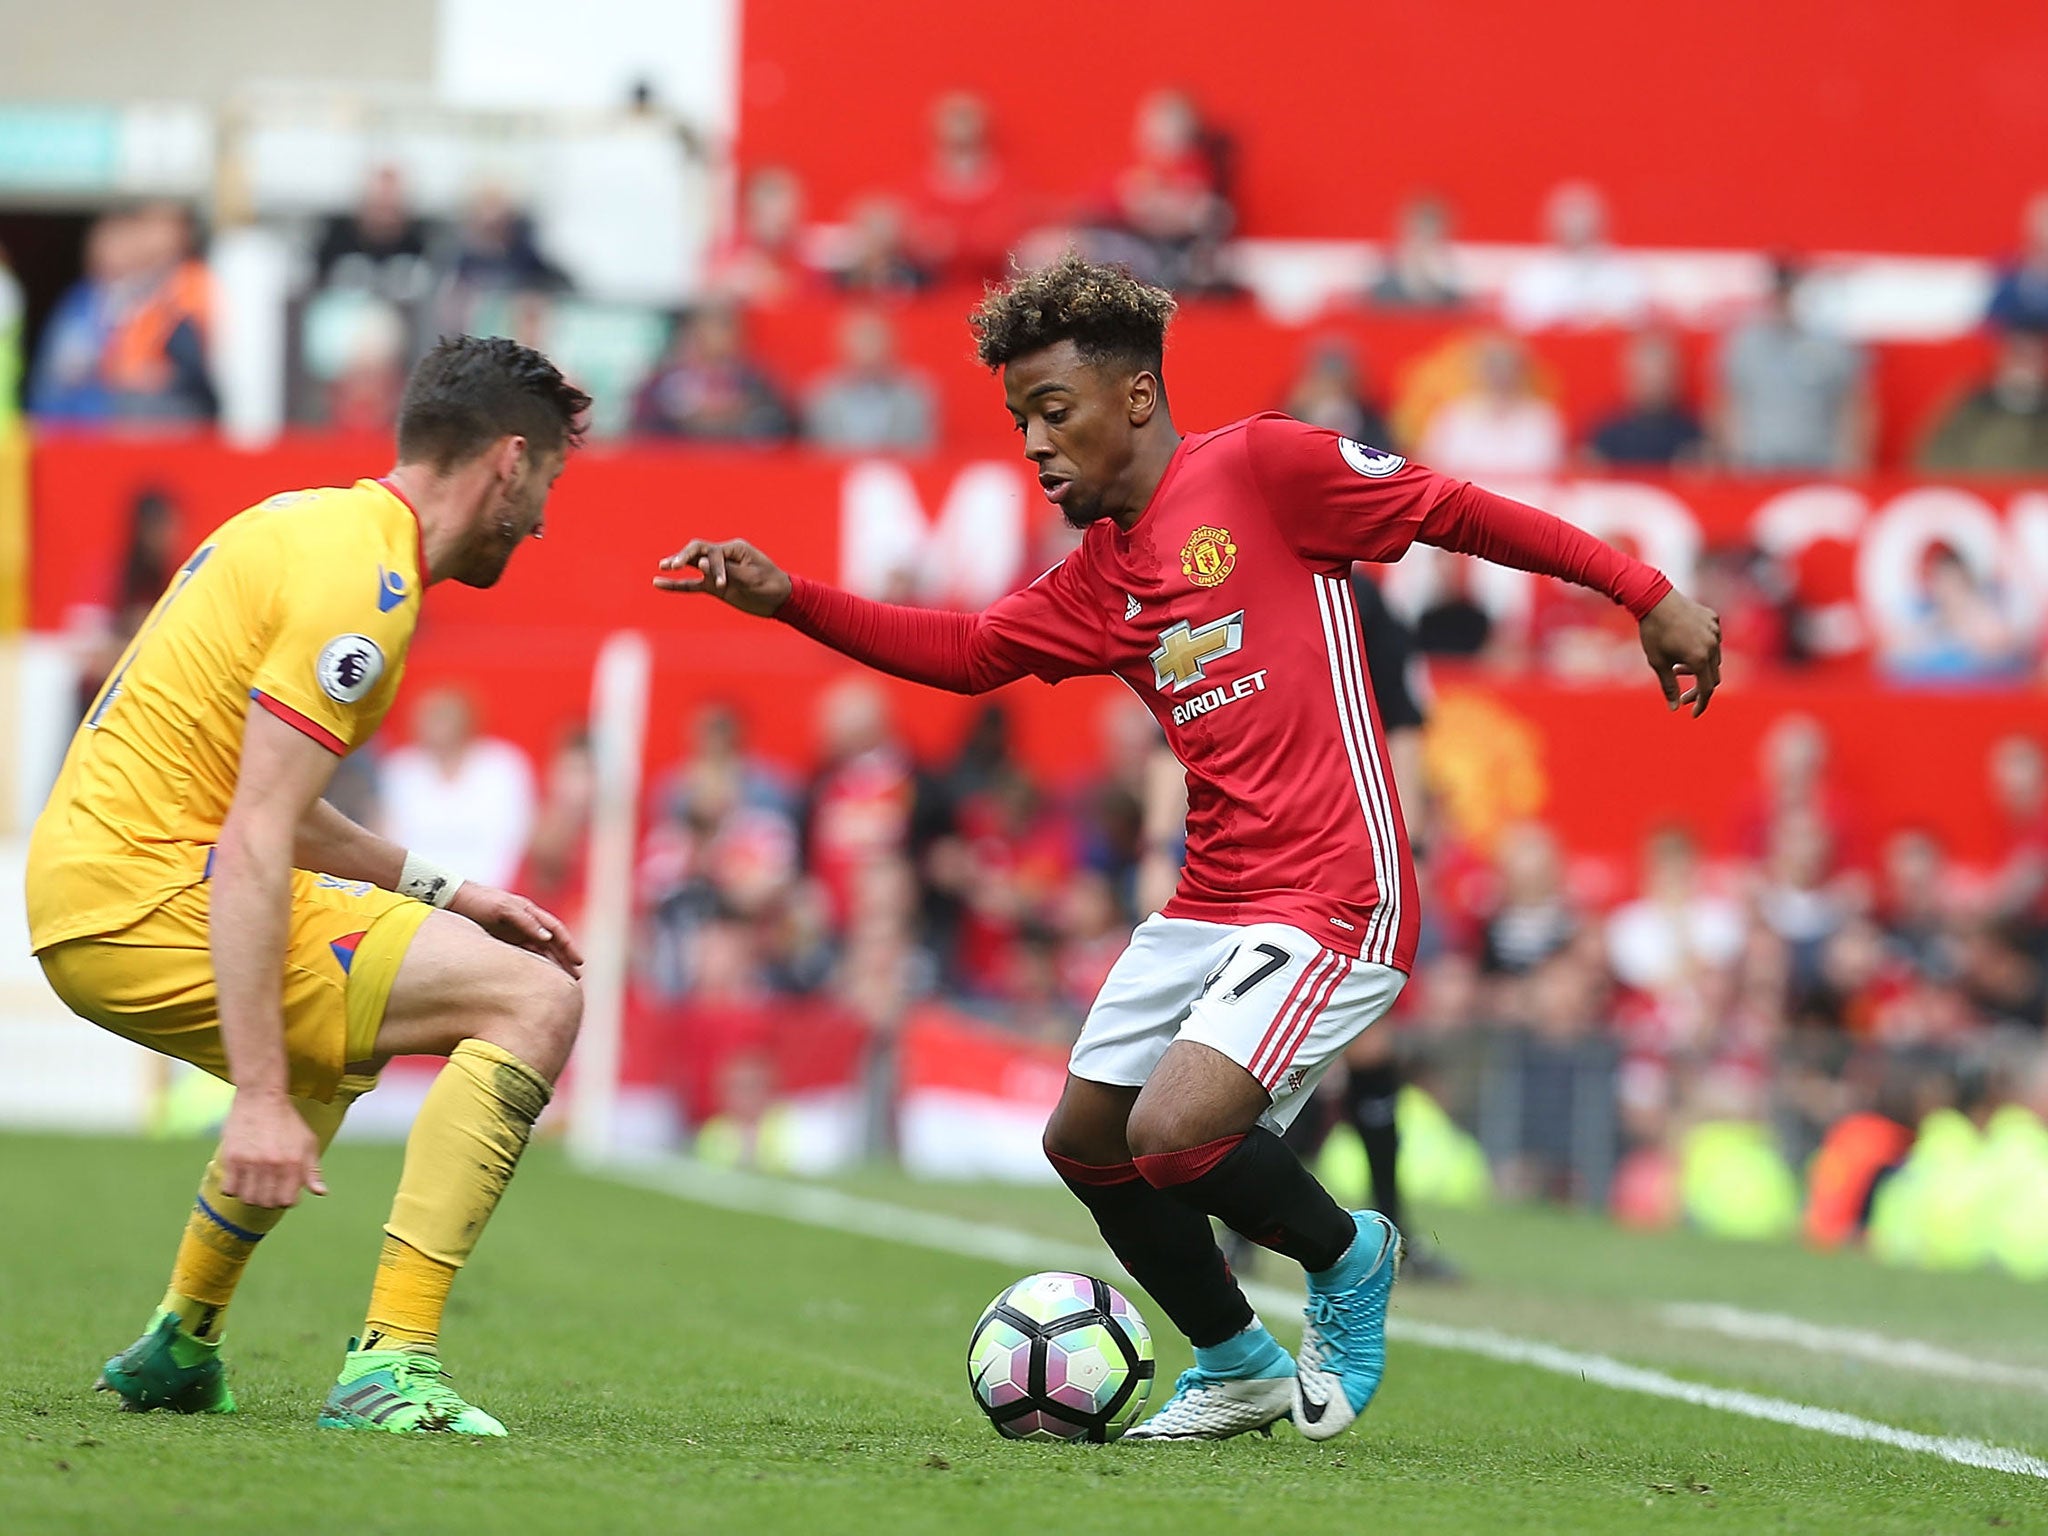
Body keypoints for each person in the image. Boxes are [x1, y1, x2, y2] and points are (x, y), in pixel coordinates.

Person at [655, 252, 1721, 1442]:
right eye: (1019, 424)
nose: (1035, 446)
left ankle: (1352, 1251)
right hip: (1210, 898)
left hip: (1333, 886)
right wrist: (788, 595)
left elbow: (1454, 510)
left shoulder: (1264, 467)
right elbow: (960, 653)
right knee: (1084, 1140)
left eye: (1053, 413)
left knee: (1175, 1136)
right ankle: (1237, 1364)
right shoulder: (1097, 578)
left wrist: (1644, 592)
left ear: (1137, 399)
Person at [27, 336, 591, 1436]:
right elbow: (251, 842)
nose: (541, 524)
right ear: (508, 465)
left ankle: (179, 1344)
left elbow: (260, 802)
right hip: (144, 900)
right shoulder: (363, 591)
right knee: (533, 999)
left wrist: (445, 890)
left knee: (358, 1018)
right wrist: (256, 1093)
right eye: (550, 489)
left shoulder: (308, 525)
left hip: (95, 885)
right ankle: (391, 1364)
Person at [1714, 258, 1870, 473]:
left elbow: (1851, 404)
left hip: (1817, 466)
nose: (1783, 300)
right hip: (1759, 466)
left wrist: (1850, 462)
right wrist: (1734, 460)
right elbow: (1729, 404)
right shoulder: (1746, 344)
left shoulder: (1829, 343)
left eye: (1789, 291)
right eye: (1779, 292)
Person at [378, 688, 539, 890]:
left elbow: (524, 833)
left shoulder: (503, 765)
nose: (436, 726)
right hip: (418, 898)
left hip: (496, 892)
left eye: (443, 717)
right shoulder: (400, 769)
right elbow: (386, 839)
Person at [1500, 182, 1648, 333]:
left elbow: (1634, 319)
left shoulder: (1624, 273)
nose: (1576, 224)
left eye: (1582, 215)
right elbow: (1520, 323)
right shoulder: (1531, 276)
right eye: (1569, 215)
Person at [804, 308, 938, 453]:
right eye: (861, 340)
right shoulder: (820, 397)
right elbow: (812, 455)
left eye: (874, 340)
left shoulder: (916, 395)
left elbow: (926, 455)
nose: (868, 349)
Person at [1918, 329, 2048, 474]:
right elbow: (1933, 461)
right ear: (2000, 356)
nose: (2025, 364)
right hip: (1969, 491)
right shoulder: (1968, 405)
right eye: (2019, 354)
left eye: (2034, 356)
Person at [1584, 330, 1705, 467]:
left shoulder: (1692, 436)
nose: (1652, 381)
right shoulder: (1607, 433)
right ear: (1628, 377)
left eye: (1659, 374)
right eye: (1644, 375)